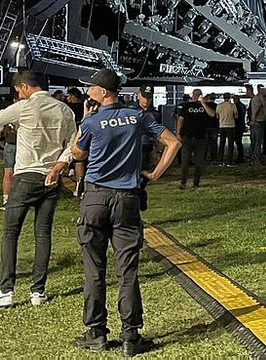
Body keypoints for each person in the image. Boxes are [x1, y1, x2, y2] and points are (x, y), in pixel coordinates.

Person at [68, 68, 180, 355]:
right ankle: (130, 335)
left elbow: (77, 154)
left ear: (103, 92)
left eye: (92, 86)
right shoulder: (137, 116)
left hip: (95, 198)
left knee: (95, 269)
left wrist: (84, 119)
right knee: (127, 269)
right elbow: (173, 142)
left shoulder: (92, 122)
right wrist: (154, 174)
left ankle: (96, 332)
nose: (89, 90)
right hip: (127, 198)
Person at [0, 70, 76, 308]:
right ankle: (38, 291)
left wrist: (11, 125)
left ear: (23, 88)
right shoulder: (64, 109)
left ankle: (6, 289)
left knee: (11, 233)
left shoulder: (24, 107)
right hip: (51, 177)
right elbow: (75, 143)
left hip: (25, 176)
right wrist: (59, 165)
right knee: (42, 234)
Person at [176, 89, 215, 189]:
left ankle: (196, 183)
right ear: (192, 95)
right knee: (185, 161)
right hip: (188, 136)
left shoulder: (205, 106)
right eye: (196, 94)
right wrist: (178, 133)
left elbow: (212, 114)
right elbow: (180, 119)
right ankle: (183, 182)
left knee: (199, 162)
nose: (197, 96)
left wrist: (203, 103)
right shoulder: (186, 106)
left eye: (199, 94)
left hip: (201, 137)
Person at [0, 92, 18, 210]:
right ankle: (12, 198)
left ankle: (6, 198)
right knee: (14, 172)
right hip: (18, 144)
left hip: (10, 144)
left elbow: (3, 127)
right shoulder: (25, 111)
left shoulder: (9, 112)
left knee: (8, 172)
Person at [137, 85, 161, 171]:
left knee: (145, 170)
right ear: (139, 95)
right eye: (144, 97)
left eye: (149, 97)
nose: (146, 100)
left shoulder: (155, 113)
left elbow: (158, 133)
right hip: (133, 146)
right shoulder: (130, 110)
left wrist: (158, 150)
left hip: (147, 145)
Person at [216, 93, 238, 165]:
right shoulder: (232, 106)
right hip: (231, 126)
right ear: (230, 98)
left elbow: (217, 116)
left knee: (222, 143)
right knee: (230, 144)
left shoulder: (219, 106)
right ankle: (229, 160)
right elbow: (236, 116)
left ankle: (220, 160)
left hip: (222, 126)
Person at [248, 85, 266, 164]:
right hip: (259, 121)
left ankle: (251, 156)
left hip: (256, 121)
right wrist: (253, 119)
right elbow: (256, 109)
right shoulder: (260, 99)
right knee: (258, 141)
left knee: (254, 141)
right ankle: (256, 157)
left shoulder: (254, 99)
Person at [233, 96, 246, 163]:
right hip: (241, 125)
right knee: (239, 142)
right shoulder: (243, 105)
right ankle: (241, 156)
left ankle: (240, 157)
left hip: (237, 126)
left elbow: (236, 117)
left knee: (238, 142)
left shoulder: (236, 106)